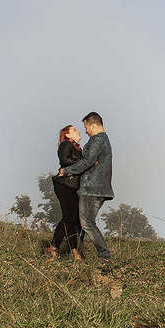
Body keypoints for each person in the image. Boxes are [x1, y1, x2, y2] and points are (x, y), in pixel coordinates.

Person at [57, 111, 114, 263]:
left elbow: (87, 161)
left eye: (86, 127)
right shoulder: (104, 140)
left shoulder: (97, 140)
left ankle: (105, 256)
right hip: (97, 188)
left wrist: (65, 171)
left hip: (92, 188)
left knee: (87, 223)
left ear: (93, 125)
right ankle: (74, 254)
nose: (86, 131)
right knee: (82, 223)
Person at [46, 125, 85, 261]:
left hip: (71, 185)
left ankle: (74, 251)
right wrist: (84, 161)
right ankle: (54, 246)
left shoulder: (76, 147)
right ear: (67, 135)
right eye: (74, 130)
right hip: (64, 184)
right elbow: (64, 160)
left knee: (73, 218)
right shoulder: (66, 144)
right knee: (69, 217)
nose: (78, 131)